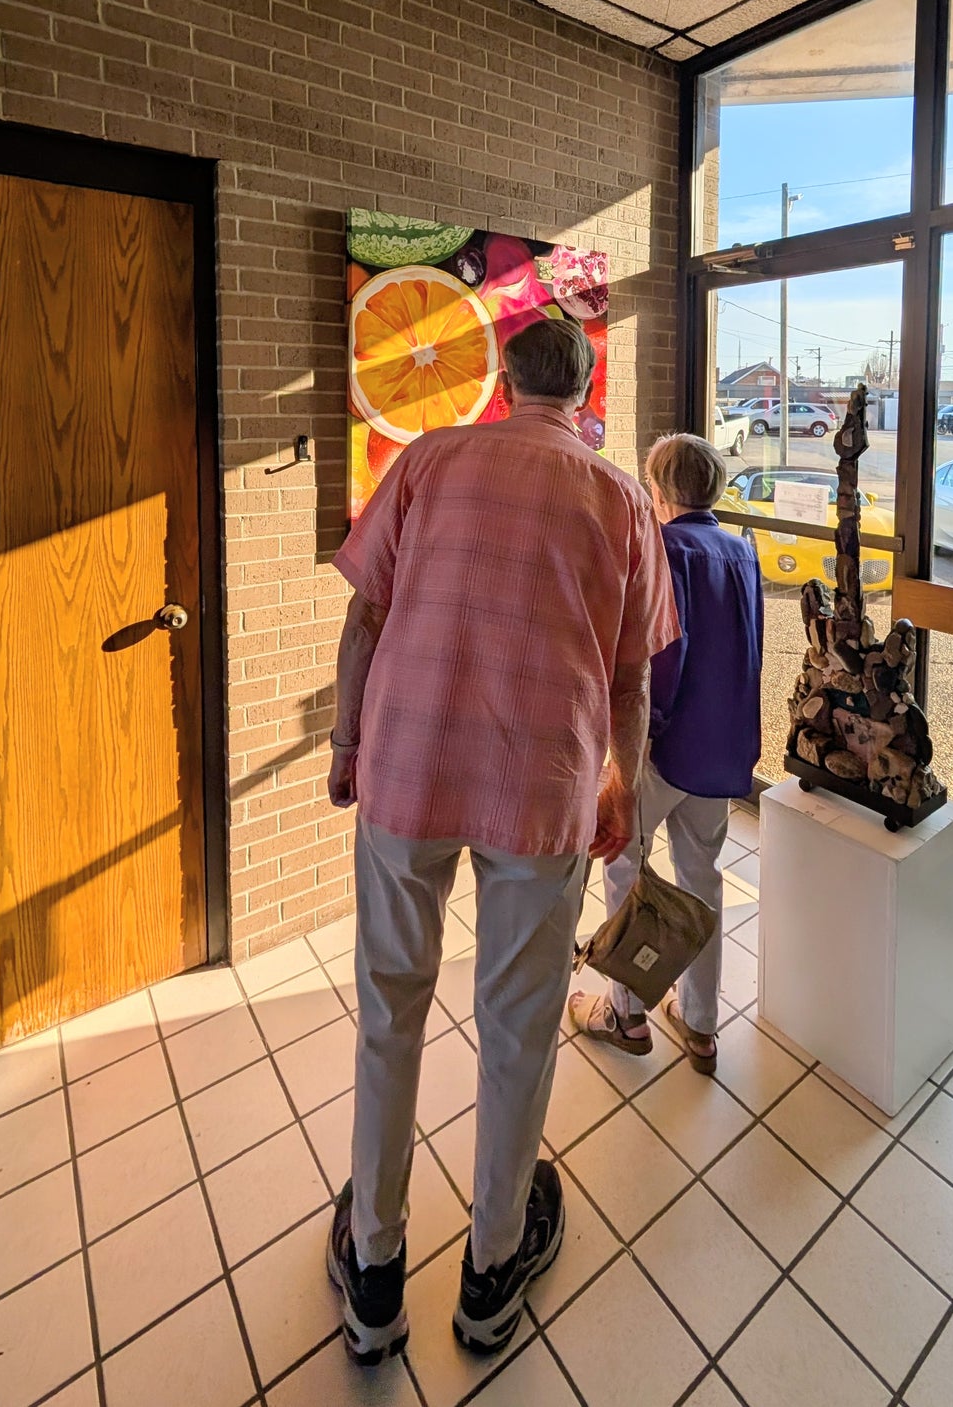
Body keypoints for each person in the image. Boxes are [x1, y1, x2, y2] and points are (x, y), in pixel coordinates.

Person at [324, 316, 678, 1364]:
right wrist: (621, 785)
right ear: (581, 389)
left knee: (390, 1002)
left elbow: (364, 617)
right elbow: (629, 675)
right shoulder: (618, 496)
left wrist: (346, 737)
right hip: (543, 780)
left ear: (501, 378)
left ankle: (374, 1271)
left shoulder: (427, 459)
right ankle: (490, 1268)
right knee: (518, 1020)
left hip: (407, 762)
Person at [569, 432, 763, 1073]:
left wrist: (632, 749)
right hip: (720, 747)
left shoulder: (661, 549)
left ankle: (627, 1015)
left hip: (661, 746)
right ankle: (702, 1025)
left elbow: (660, 659)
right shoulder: (742, 554)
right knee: (702, 882)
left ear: (657, 490)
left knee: (626, 870)